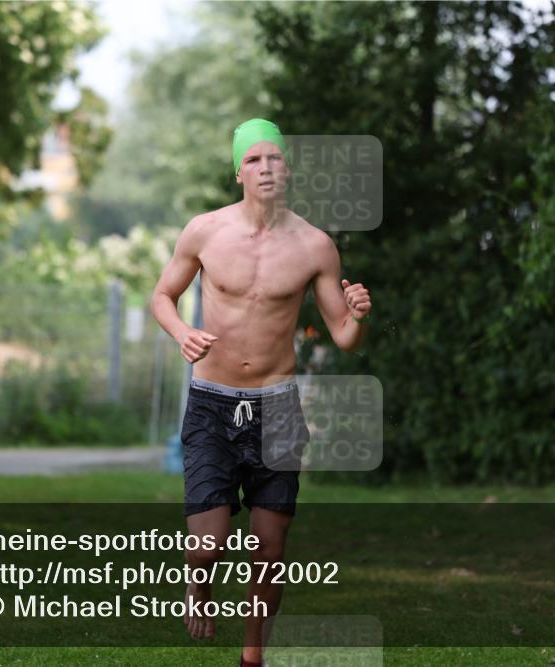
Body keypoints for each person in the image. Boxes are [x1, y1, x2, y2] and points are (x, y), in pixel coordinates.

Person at [150, 118, 372, 667]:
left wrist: (360, 316)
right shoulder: (204, 231)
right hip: (212, 403)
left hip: (276, 406)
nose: (265, 167)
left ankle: (254, 658)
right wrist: (183, 333)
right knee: (207, 547)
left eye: (274, 158)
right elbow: (161, 295)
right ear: (238, 171)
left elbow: (343, 335)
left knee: (270, 552)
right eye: (254, 160)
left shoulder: (315, 245)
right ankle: (197, 585)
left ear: (287, 170)